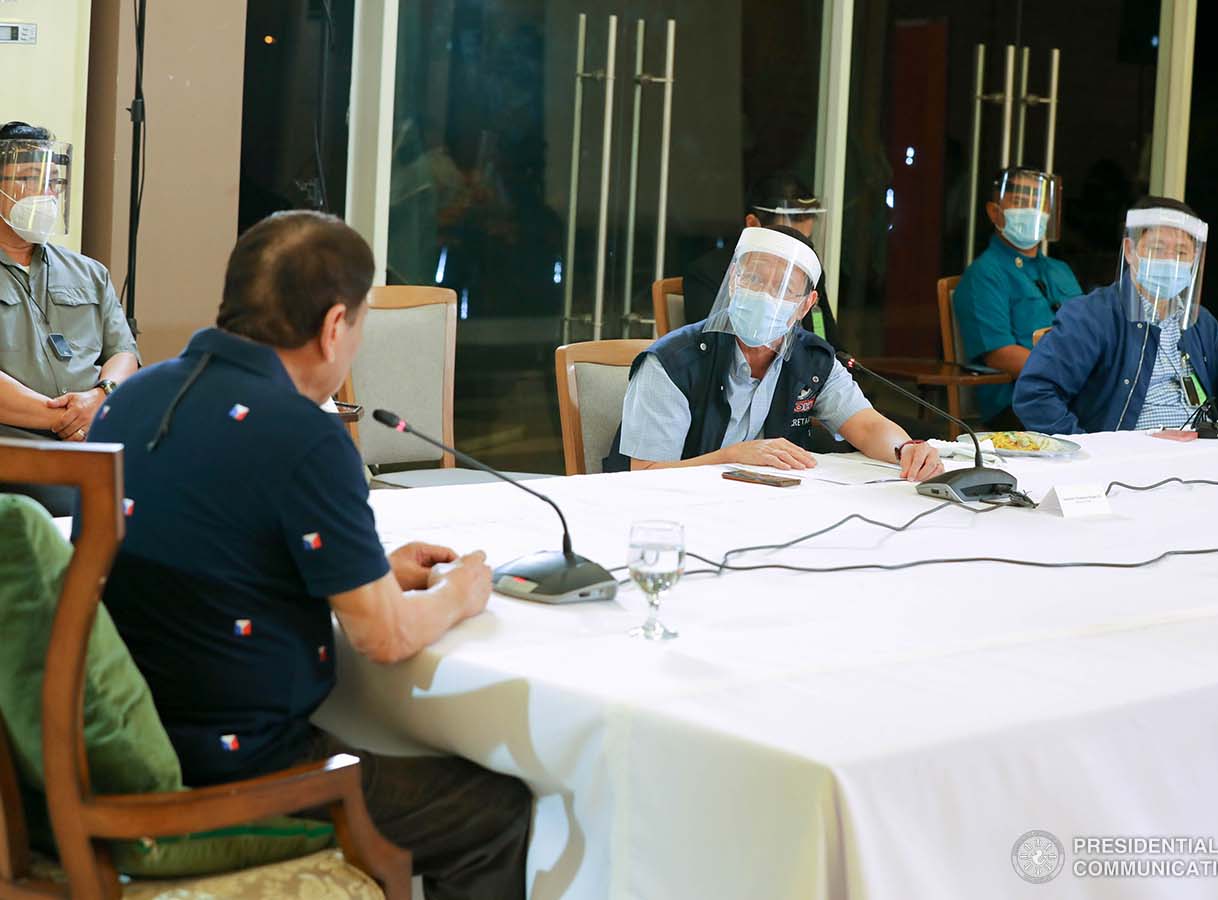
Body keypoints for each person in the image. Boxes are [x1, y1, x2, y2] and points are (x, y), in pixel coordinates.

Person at [87, 212, 530, 899]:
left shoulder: (129, 401)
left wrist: (370, 565)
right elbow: (382, 637)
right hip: (239, 777)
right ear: (333, 328)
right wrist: (460, 593)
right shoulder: (303, 434)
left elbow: (212, 545)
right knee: (494, 810)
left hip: (115, 751)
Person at [604, 226, 943, 479]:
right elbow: (647, 473)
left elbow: (867, 427)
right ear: (733, 281)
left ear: (805, 306)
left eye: (783, 290)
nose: (765, 297)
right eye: (753, 280)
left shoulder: (813, 359)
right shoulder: (673, 362)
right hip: (667, 516)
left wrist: (906, 449)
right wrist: (735, 456)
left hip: (760, 510)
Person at [1014, 197, 1218, 434]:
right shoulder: (1092, 316)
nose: (1171, 262)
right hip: (1129, 464)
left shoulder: (1199, 321)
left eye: (1182, 253)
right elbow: (1035, 395)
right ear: (1130, 252)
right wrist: (1090, 455)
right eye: (1158, 249)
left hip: (1198, 455)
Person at [0, 121, 138, 514]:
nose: (47, 194)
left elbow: (124, 352)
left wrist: (100, 397)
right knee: (77, 508)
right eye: (30, 178)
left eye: (54, 182)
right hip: (16, 447)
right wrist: (65, 417)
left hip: (97, 436)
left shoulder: (89, 273)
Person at [952, 166, 1082, 429]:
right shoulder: (985, 274)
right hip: (1020, 401)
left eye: (1039, 204)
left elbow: (1090, 333)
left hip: (1073, 392)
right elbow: (1000, 354)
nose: (1032, 212)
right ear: (994, 212)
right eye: (1022, 202)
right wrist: (1066, 376)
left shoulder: (1061, 271)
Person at [684, 172, 844, 350]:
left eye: (805, 242)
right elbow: (709, 348)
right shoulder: (707, 273)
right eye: (786, 243)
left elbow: (830, 344)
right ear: (753, 224)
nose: (796, 257)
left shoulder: (807, 274)